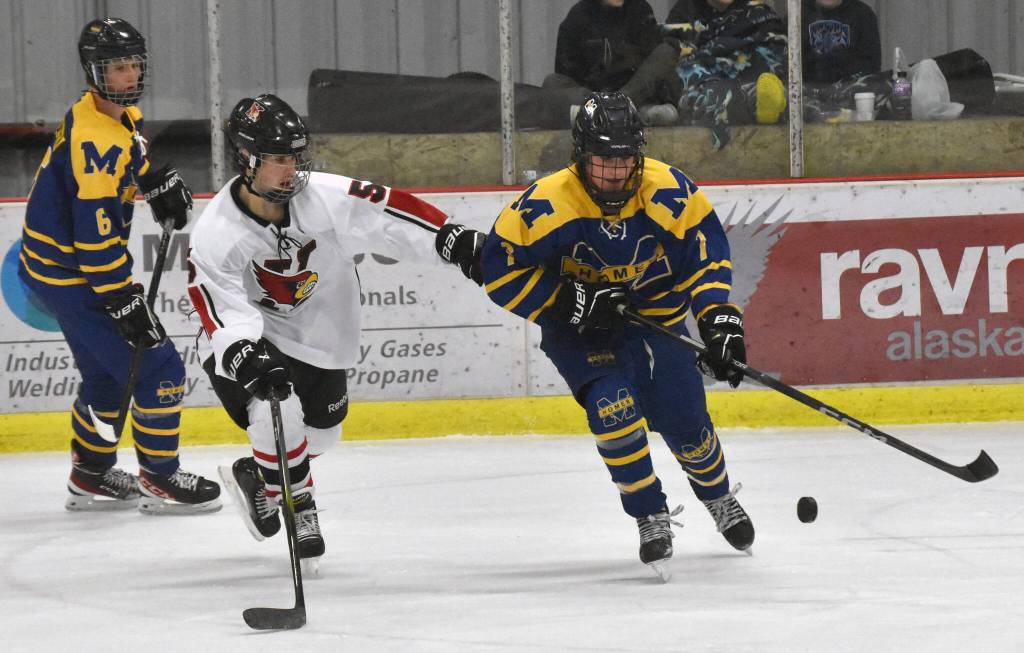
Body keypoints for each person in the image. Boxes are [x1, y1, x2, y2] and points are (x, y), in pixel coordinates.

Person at [187, 93, 485, 566]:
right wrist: (242, 350)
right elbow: (215, 302)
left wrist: (447, 238)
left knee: (323, 434)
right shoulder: (217, 231)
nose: (292, 170)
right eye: (279, 159)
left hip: (316, 334)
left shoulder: (322, 196)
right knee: (274, 407)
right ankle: (300, 505)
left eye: (295, 157)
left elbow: (386, 213)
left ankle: (259, 474)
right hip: (248, 332)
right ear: (245, 158)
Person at [478, 91, 754, 580]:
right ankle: (649, 513)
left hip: (658, 318)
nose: (614, 172)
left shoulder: (668, 190)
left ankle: (717, 496)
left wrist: (717, 318)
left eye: (624, 159)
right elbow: (498, 270)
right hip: (581, 332)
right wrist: (567, 301)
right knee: (612, 408)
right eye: (603, 160)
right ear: (580, 156)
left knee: (688, 424)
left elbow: (706, 253)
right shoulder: (547, 204)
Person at [18, 17, 221, 514]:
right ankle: (161, 477)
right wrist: (120, 297)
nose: (129, 76)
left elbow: (129, 154)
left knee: (108, 378)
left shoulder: (105, 112)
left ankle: (90, 474)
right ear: (94, 70)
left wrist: (151, 179)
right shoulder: (95, 143)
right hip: (75, 276)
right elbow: (94, 237)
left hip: (50, 270)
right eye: (116, 67)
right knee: (160, 369)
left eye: (134, 65)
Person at [665, 0, 789, 149]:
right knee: (704, 94)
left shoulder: (760, 13)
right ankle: (752, 102)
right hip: (708, 89)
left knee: (793, 96)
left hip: (755, 85)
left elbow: (778, 59)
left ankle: (758, 101)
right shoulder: (684, 14)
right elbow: (675, 64)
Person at [546, 0, 683, 126]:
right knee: (552, 81)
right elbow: (566, 75)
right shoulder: (576, 18)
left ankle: (609, 112)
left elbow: (649, 70)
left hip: (633, 94)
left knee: (667, 52)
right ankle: (619, 114)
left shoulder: (639, 8)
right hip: (594, 95)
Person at [802, 0, 881, 85]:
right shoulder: (798, 12)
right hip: (805, 90)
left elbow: (871, 65)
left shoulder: (862, 14)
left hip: (851, 89)